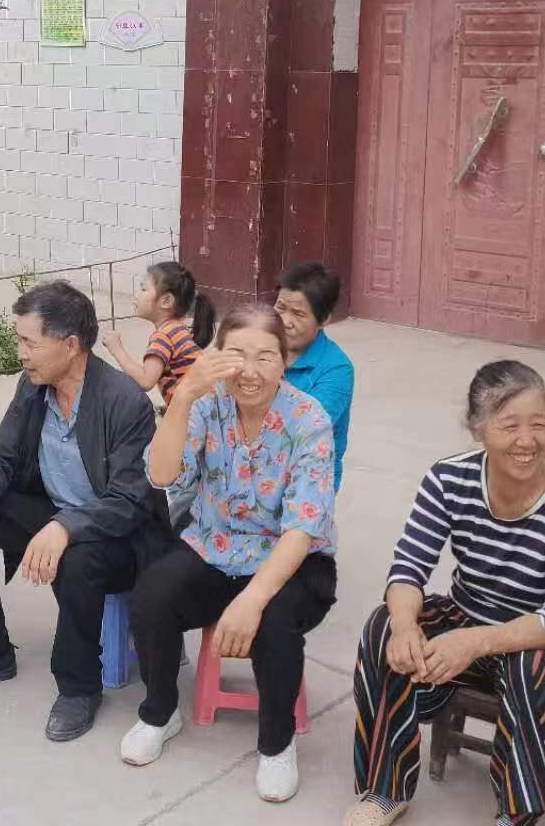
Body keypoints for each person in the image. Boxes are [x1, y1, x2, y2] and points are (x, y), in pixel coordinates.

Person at [344, 360, 545, 826]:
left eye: (539, 424)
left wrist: (474, 642)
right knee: (384, 627)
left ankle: (517, 811)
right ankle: (384, 789)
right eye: (510, 426)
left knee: (528, 665)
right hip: (469, 613)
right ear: (477, 428)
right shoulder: (449, 479)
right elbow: (408, 567)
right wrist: (404, 626)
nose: (527, 440)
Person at [0, 281, 172, 742]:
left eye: (29, 342)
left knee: (78, 556)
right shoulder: (35, 385)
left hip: (121, 537)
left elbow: (129, 500)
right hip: (58, 514)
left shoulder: (124, 401)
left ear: (71, 345)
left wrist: (66, 526)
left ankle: (79, 686)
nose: (20, 353)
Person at [121, 304, 337, 805]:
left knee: (275, 621)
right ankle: (159, 712)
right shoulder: (207, 404)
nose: (250, 371)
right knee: (153, 593)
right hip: (215, 545)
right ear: (217, 356)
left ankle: (277, 744)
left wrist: (252, 601)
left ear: (285, 362)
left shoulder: (308, 419)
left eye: (265, 356)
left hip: (292, 559)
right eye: (237, 354)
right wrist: (182, 397)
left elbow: (302, 530)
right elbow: (161, 475)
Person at [275, 262, 354, 491]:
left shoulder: (337, 369)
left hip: (306, 480)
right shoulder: (260, 345)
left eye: (298, 314)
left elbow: (303, 430)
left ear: (323, 320)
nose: (285, 321)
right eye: (280, 307)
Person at [103, 260, 216, 411]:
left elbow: (146, 381)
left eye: (143, 289)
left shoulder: (163, 337)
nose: (136, 295)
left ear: (166, 301)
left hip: (196, 415)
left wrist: (117, 349)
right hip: (208, 408)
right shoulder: (178, 330)